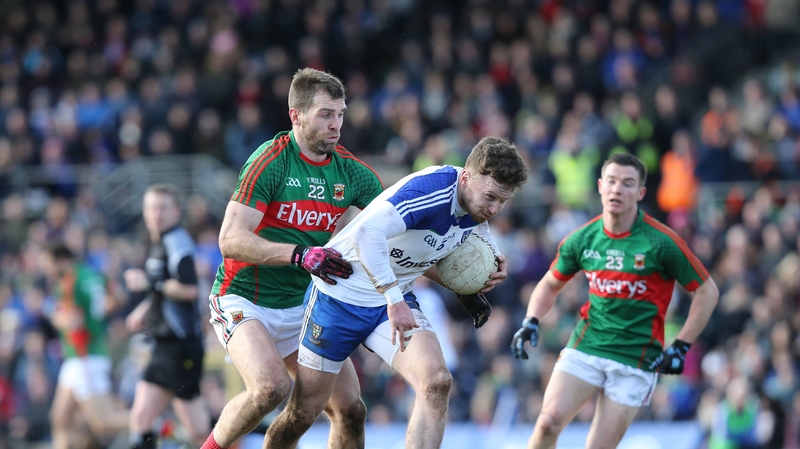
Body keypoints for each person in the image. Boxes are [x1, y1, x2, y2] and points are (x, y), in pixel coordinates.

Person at [263, 136, 529, 449]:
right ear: (467, 178)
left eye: (503, 201)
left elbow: (452, 247)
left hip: (392, 296)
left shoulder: (476, 201)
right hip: (339, 295)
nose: (495, 209)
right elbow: (366, 234)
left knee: (437, 382)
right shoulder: (431, 191)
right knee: (304, 414)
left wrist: (471, 284)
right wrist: (394, 298)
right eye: (491, 197)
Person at [202, 68, 385, 449]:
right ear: (296, 115)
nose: (336, 125)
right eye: (325, 114)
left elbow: (399, 230)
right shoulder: (271, 161)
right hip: (244, 298)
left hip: (304, 305)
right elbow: (230, 239)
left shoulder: (351, 172)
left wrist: (460, 281)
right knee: (270, 389)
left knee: (351, 409)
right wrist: (299, 255)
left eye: (340, 114)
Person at [510, 153, 719, 449]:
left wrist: (682, 346)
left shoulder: (662, 242)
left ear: (641, 192)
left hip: (636, 359)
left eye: (627, 183)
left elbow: (707, 292)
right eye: (611, 181)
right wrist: (531, 320)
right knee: (547, 423)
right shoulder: (583, 238)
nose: (617, 189)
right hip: (588, 344)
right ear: (599, 186)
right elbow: (549, 285)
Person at [124, 183, 210, 448]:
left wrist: (148, 285)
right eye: (151, 207)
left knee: (198, 430)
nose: (156, 214)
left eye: (163, 208)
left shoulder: (178, 242)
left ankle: (253, 431)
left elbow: (190, 290)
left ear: (176, 211)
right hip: (164, 344)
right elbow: (162, 288)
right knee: (141, 418)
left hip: (181, 344)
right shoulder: (160, 241)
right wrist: (144, 309)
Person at [44, 244, 129, 449]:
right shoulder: (94, 274)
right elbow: (120, 297)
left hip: (84, 355)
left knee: (103, 422)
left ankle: (157, 423)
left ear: (61, 260)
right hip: (81, 355)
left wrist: (53, 315)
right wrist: (99, 313)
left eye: (47, 263)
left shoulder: (68, 281)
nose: (46, 269)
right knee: (60, 418)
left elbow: (74, 321)